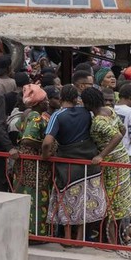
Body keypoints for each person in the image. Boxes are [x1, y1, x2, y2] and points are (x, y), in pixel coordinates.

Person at [42, 85, 106, 241]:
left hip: (67, 166)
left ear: (62, 98)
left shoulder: (57, 115)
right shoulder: (87, 113)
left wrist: (45, 155)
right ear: (76, 99)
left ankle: (68, 237)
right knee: (85, 202)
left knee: (67, 200)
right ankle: (80, 237)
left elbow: (47, 142)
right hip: (89, 164)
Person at [82, 88, 131, 243]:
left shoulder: (98, 121)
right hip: (122, 157)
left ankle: (112, 240)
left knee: (111, 201)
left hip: (112, 162)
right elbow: (122, 129)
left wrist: (101, 154)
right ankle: (119, 236)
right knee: (120, 199)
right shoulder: (110, 111)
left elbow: (117, 135)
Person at [13, 84, 52, 237]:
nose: (47, 102)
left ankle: (23, 231)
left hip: (24, 163)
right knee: (36, 198)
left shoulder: (26, 114)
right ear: (38, 102)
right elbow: (27, 140)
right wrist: (44, 147)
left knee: (24, 196)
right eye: (45, 100)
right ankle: (36, 234)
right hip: (34, 164)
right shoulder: (36, 116)